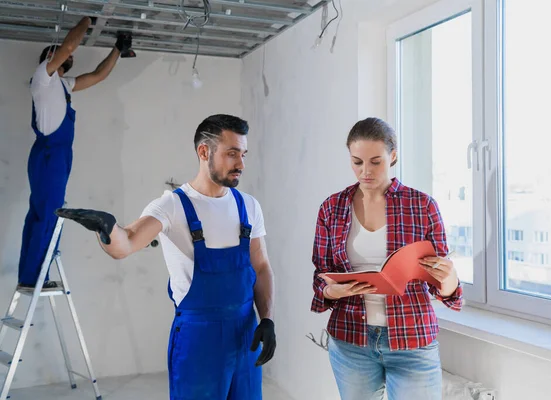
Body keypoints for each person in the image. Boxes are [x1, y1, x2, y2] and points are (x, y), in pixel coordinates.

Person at [55, 114, 276, 400]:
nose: (241, 164)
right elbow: (126, 243)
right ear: (204, 152)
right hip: (199, 339)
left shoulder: (248, 206)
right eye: (232, 154)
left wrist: (267, 319)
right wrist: (106, 228)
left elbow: (261, 266)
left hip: (246, 333)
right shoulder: (172, 206)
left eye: (243, 154)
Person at [311, 117, 463, 400]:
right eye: (357, 162)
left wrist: (450, 280)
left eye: (375, 161)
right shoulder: (332, 208)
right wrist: (332, 290)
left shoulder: (422, 206)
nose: (365, 171)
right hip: (350, 339)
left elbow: (443, 287)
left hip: (412, 338)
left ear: (393, 156)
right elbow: (321, 273)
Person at [17, 16, 134, 289]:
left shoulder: (63, 86)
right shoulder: (42, 79)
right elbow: (68, 48)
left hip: (57, 157)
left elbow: (97, 75)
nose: (67, 60)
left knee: (44, 214)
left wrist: (117, 49)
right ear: (49, 58)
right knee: (48, 214)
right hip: (49, 156)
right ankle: (34, 277)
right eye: (58, 57)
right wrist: (88, 19)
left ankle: (33, 275)